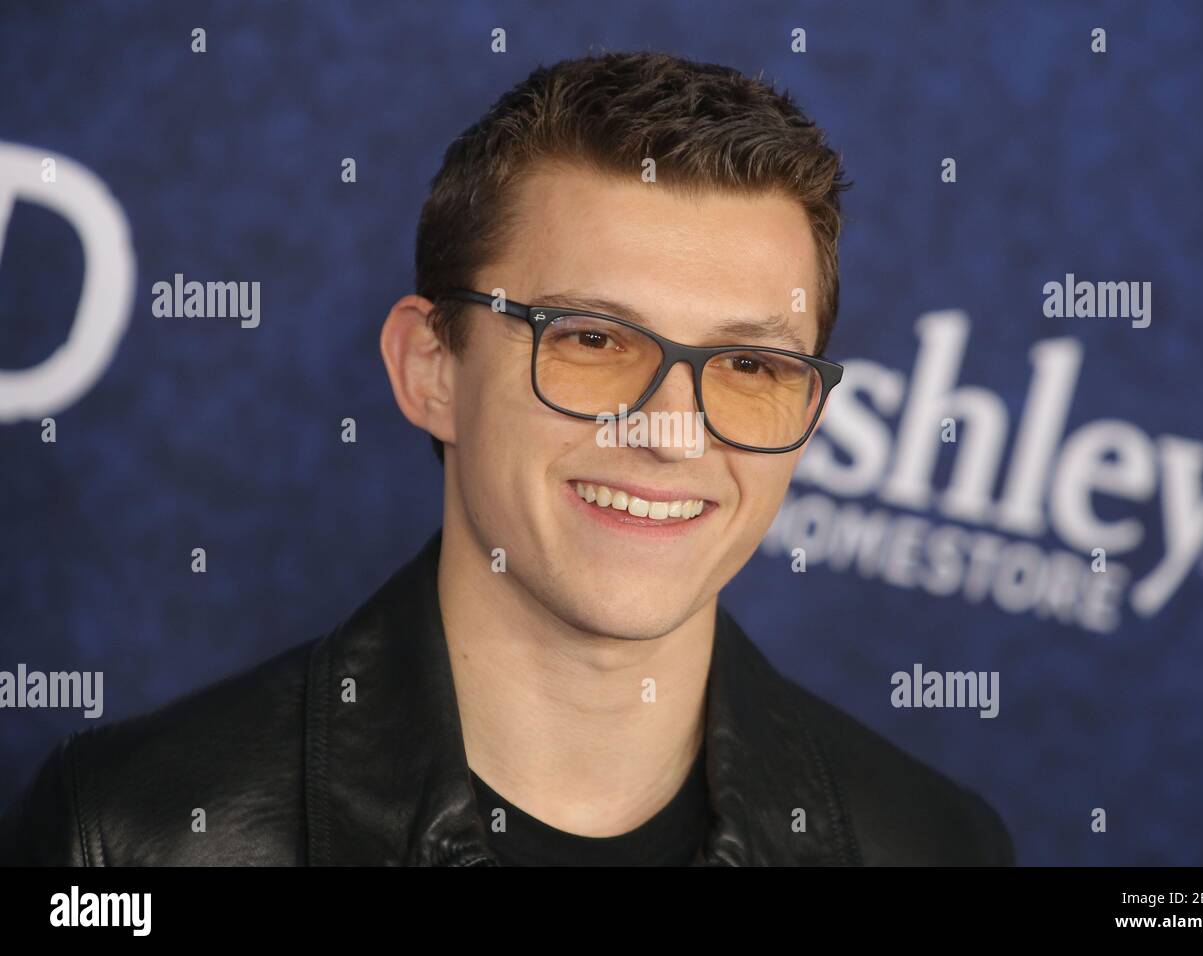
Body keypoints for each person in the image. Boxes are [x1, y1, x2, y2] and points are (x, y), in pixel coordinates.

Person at [0, 51, 1013, 866]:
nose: (669, 429)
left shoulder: (932, 843)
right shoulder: (132, 836)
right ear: (430, 367)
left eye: (748, 362)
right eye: (591, 339)